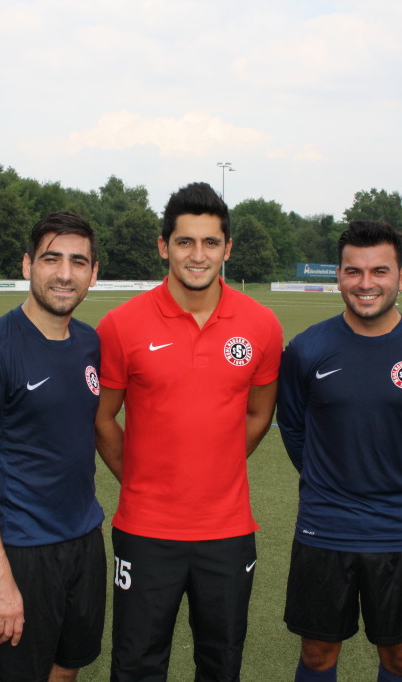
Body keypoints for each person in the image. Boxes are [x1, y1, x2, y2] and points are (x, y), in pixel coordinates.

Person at [95, 181, 283, 681]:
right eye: (185, 242)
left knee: (220, 666)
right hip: (145, 530)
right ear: (164, 247)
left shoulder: (261, 324)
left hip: (228, 533)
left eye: (210, 243)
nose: (198, 256)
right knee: (136, 666)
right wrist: (138, 476)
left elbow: (260, 413)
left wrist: (217, 467)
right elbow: (102, 417)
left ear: (227, 249)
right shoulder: (120, 324)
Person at [276, 221, 402, 682]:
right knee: (318, 654)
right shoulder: (306, 349)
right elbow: (294, 429)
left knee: (400, 660)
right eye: (353, 271)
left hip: (399, 528)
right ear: (338, 275)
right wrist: (327, 479)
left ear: (400, 275)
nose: (365, 284)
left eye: (379, 271)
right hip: (324, 526)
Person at [0, 211, 105, 682]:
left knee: (66, 669)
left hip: (84, 543)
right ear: (27, 265)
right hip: (20, 552)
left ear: (93, 274)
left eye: (78, 262)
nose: (64, 273)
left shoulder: (90, 344)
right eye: (51, 258)